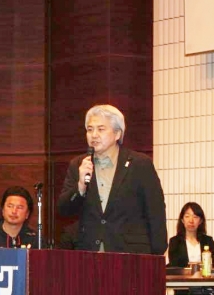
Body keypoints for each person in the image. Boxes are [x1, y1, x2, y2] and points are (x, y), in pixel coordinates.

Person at [57, 104, 167, 255]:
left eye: (101, 129)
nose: (94, 135)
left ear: (117, 134)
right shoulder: (78, 164)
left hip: (130, 253)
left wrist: (157, 253)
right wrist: (80, 186)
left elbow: (155, 210)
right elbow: (64, 210)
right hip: (89, 251)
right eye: (90, 129)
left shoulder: (139, 163)